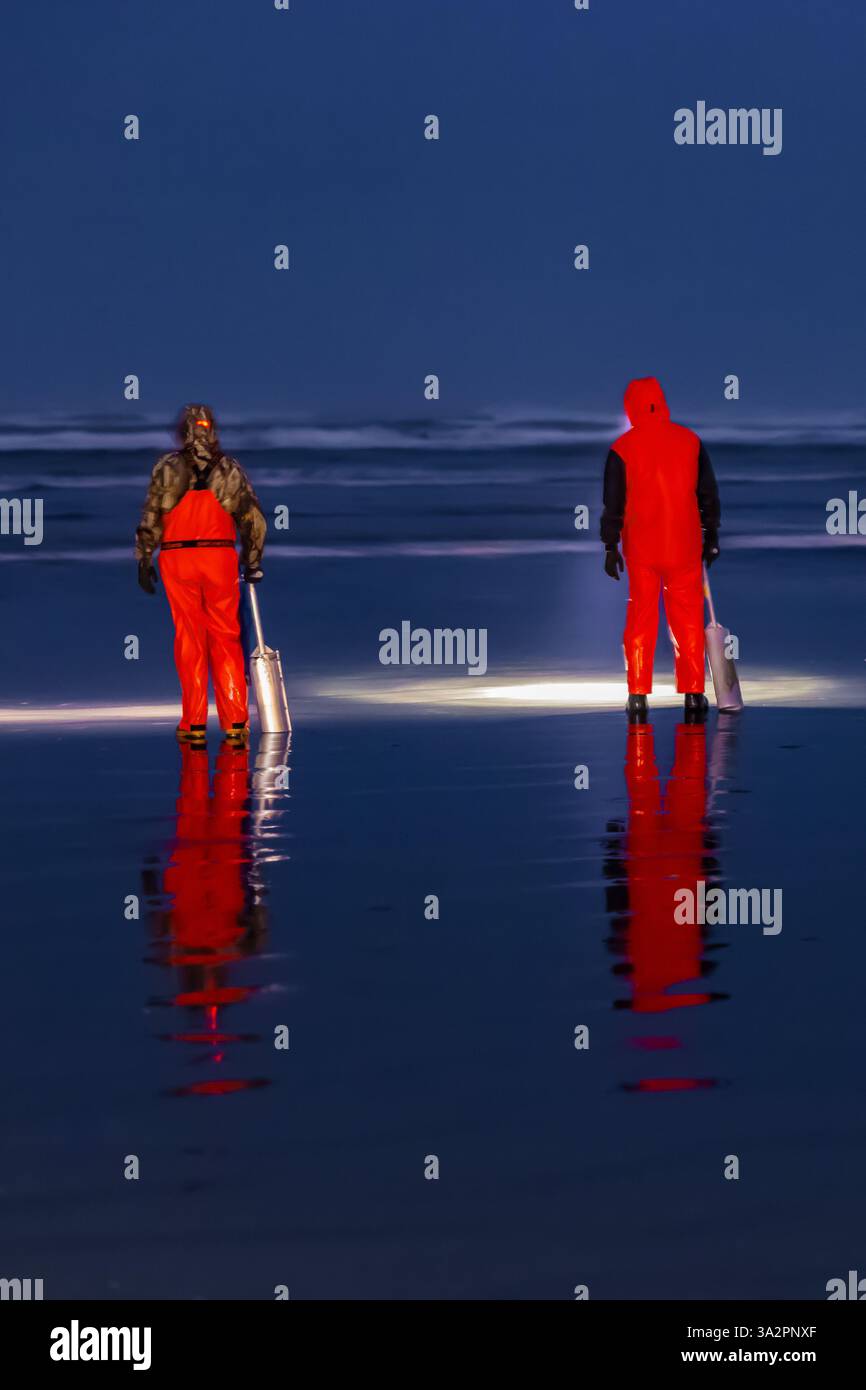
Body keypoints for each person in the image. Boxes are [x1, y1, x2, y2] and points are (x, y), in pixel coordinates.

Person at [135, 405, 266, 745]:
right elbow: (253, 520)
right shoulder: (229, 468)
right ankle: (235, 723)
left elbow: (151, 516)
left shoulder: (166, 467)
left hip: (177, 558)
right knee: (226, 637)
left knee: (189, 638)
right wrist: (252, 561)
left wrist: (144, 558)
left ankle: (194, 723)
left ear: (182, 431)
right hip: (219, 556)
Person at [600, 377, 720, 723]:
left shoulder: (622, 448)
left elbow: (613, 504)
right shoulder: (690, 441)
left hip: (641, 548)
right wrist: (711, 536)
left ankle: (637, 696)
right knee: (688, 619)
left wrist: (610, 545)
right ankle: (694, 694)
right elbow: (708, 494)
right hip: (684, 545)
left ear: (631, 407)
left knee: (641, 618)